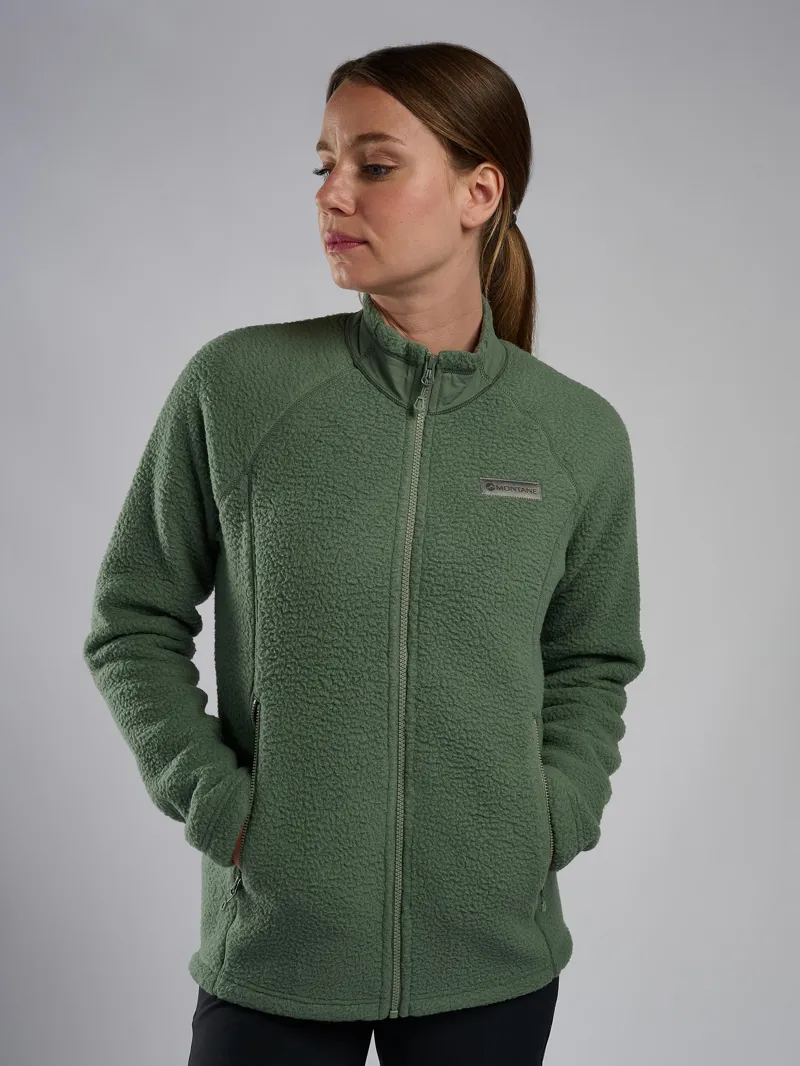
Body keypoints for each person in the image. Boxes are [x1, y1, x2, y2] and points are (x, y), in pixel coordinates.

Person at [83, 40, 645, 1066]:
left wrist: (548, 819)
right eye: (324, 165)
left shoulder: (575, 436)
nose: (332, 193)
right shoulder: (238, 387)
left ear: (479, 193)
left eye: (374, 165)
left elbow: (590, 659)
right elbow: (132, 621)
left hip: (491, 953)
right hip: (278, 945)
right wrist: (221, 808)